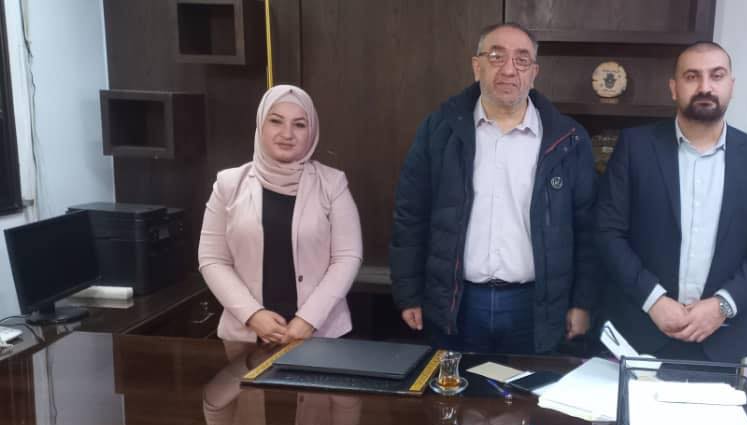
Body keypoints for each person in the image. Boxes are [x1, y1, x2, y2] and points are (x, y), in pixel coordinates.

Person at [390, 23, 597, 354]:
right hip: (456, 302)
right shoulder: (439, 130)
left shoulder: (568, 140)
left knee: (528, 387)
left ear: (534, 73)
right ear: (477, 66)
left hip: (535, 306)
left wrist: (582, 302)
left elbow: (587, 230)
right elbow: (410, 215)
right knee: (455, 386)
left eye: (522, 59)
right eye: (497, 56)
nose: (509, 70)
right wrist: (408, 293)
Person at [596, 42, 747, 362]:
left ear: (731, 86)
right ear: (674, 88)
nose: (705, 87)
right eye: (692, 76)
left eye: (716, 76)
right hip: (640, 330)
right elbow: (607, 232)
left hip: (719, 338)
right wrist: (653, 299)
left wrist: (722, 305)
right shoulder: (636, 147)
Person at [198, 85, 363, 344]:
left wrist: (309, 319)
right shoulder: (228, 184)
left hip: (321, 335)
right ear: (261, 125)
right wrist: (252, 314)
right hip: (245, 336)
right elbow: (212, 259)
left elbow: (347, 257)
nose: (287, 134)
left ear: (312, 132)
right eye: (276, 121)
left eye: (299, 125)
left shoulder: (333, 184)